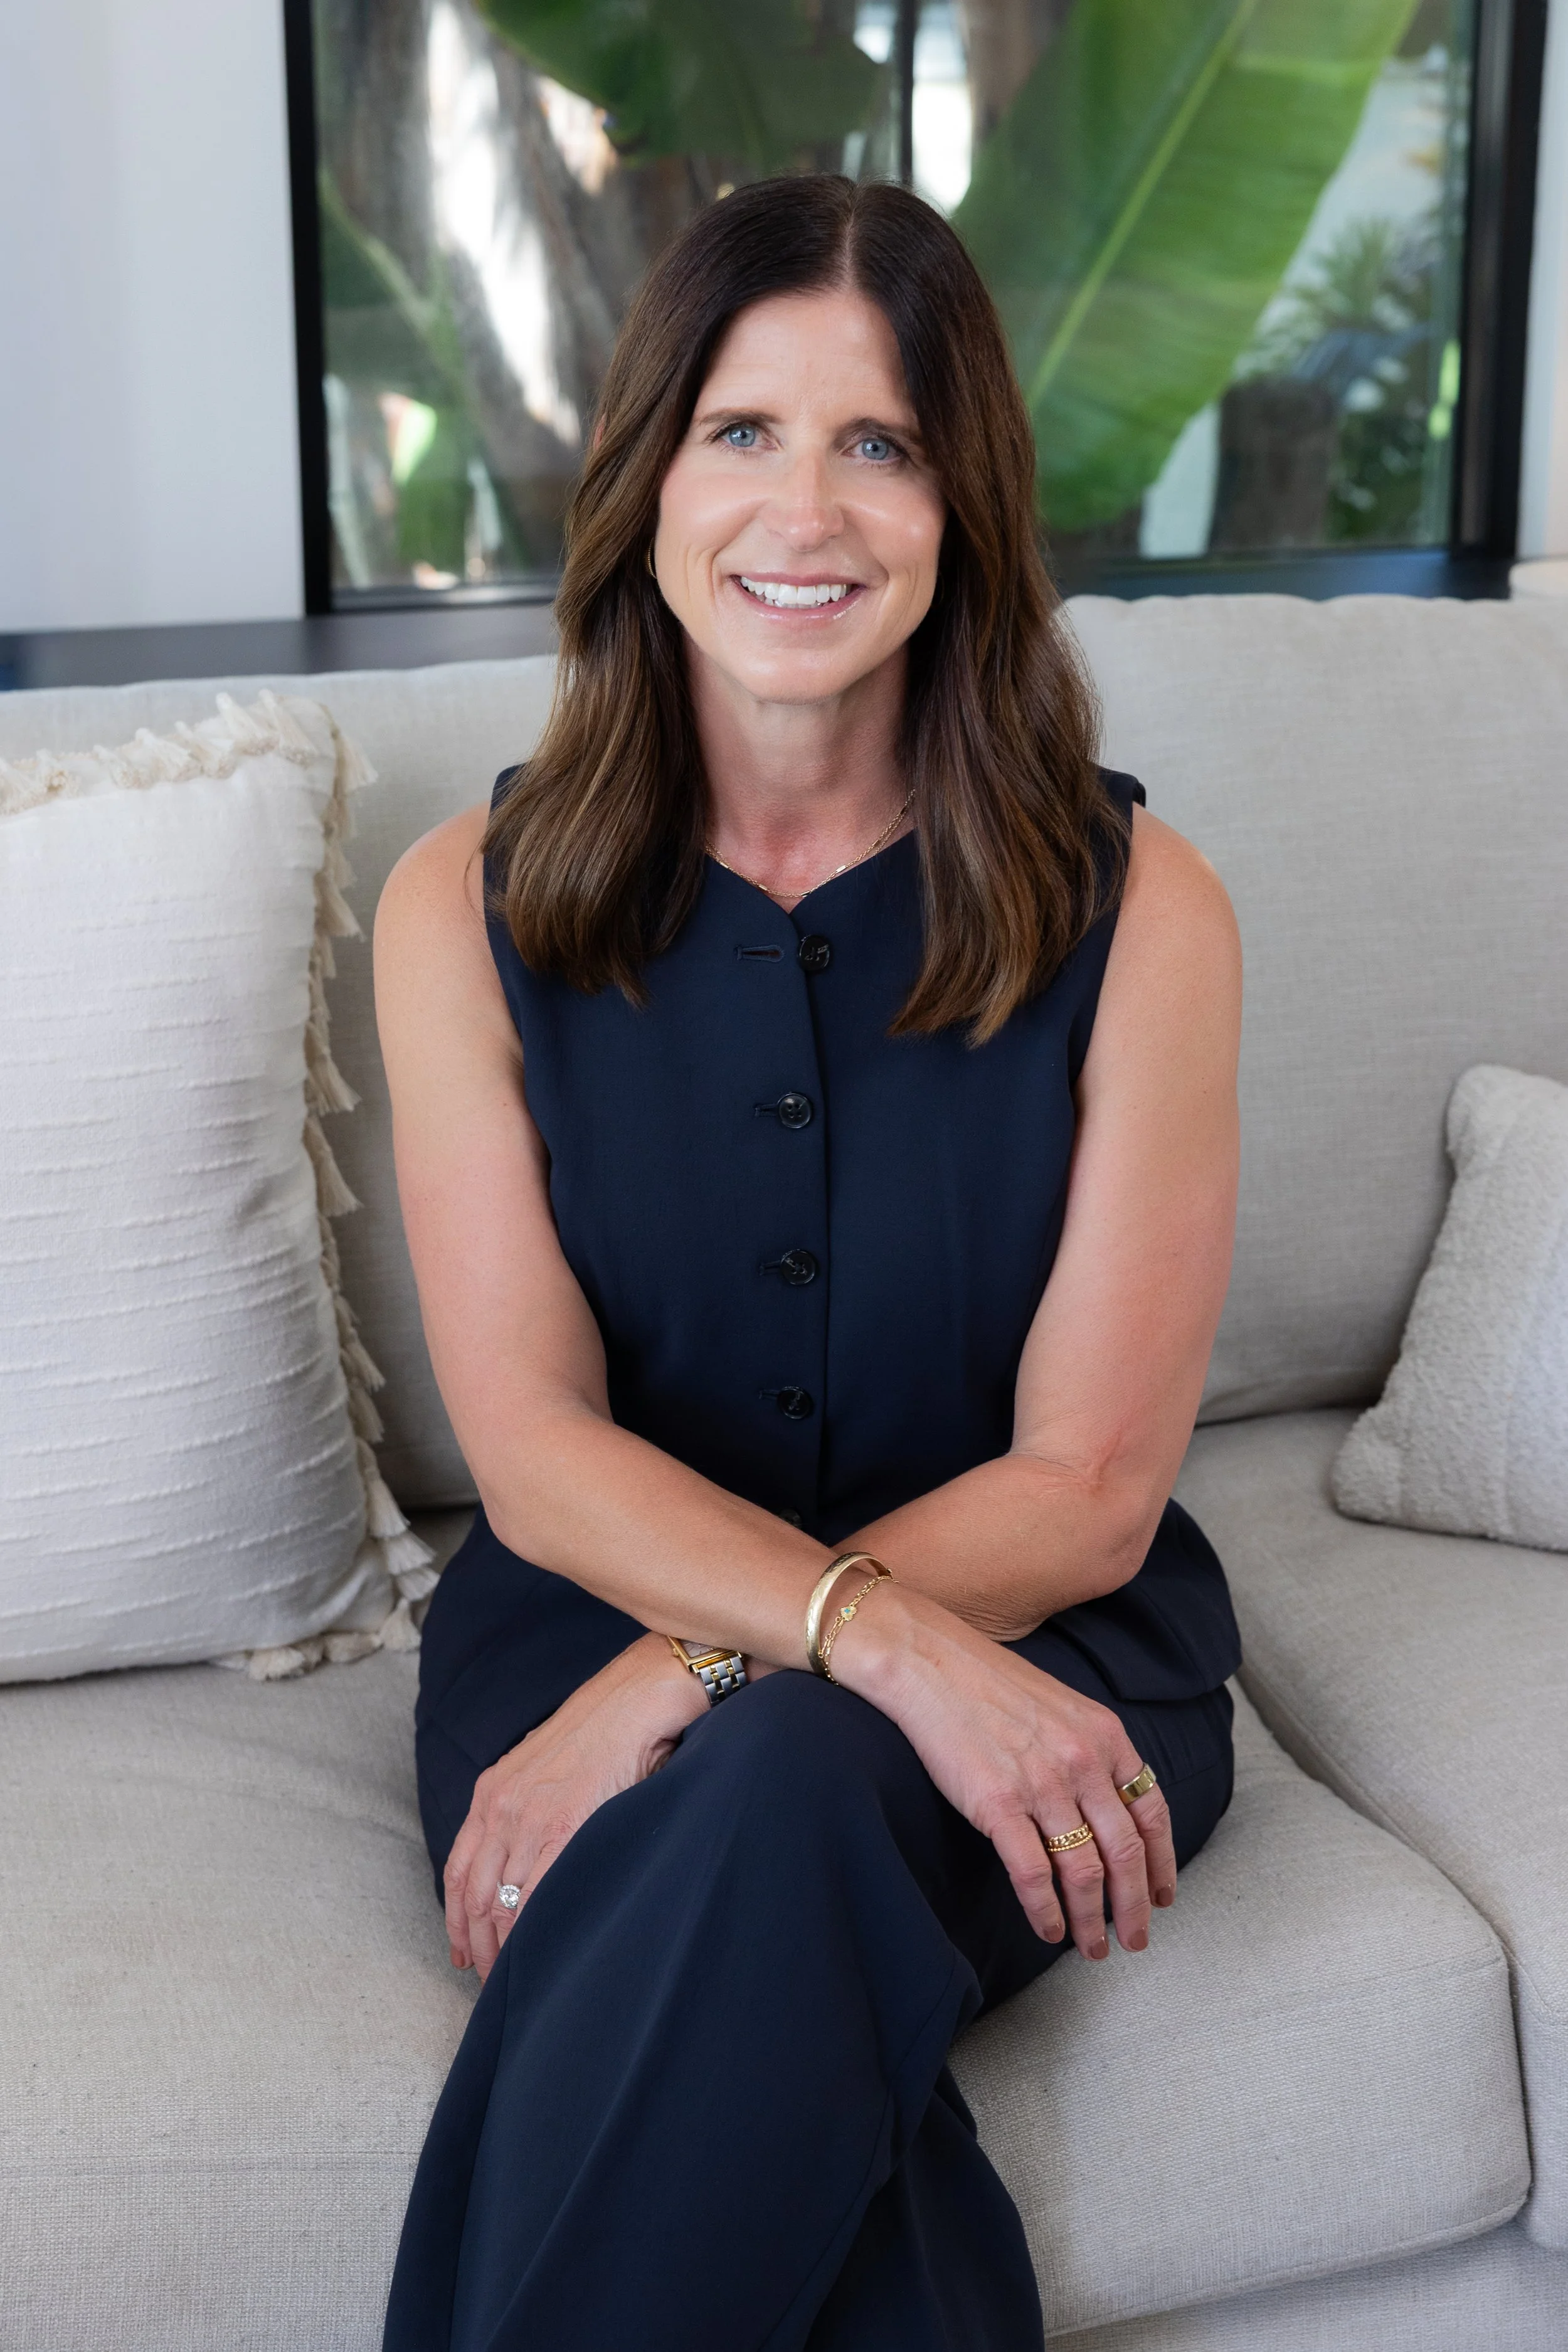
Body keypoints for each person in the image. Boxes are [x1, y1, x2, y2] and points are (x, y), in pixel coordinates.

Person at [374, 173, 1242, 2352]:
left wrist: (700, 1682)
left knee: (767, 1794)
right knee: (783, 1897)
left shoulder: (1145, 908)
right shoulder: (460, 903)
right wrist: (840, 1649)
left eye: (880, 443)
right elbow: (535, 1451)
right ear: (649, 480)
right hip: (577, 1626)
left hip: (1047, 1644)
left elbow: (1088, 1487)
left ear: (963, 508)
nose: (807, 508)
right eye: (741, 431)